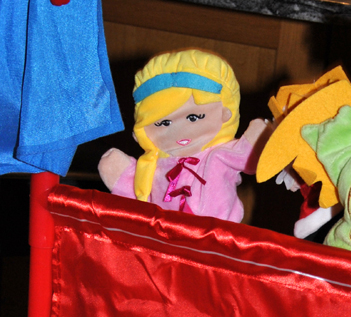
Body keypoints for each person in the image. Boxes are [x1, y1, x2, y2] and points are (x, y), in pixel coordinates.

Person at [98, 48, 266, 221]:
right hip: (162, 230)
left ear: (225, 113)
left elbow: (249, 157)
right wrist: (123, 175)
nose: (179, 131)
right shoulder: (154, 164)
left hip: (214, 232)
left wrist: (260, 138)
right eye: (164, 123)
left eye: (193, 117)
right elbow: (141, 194)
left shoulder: (220, 154)